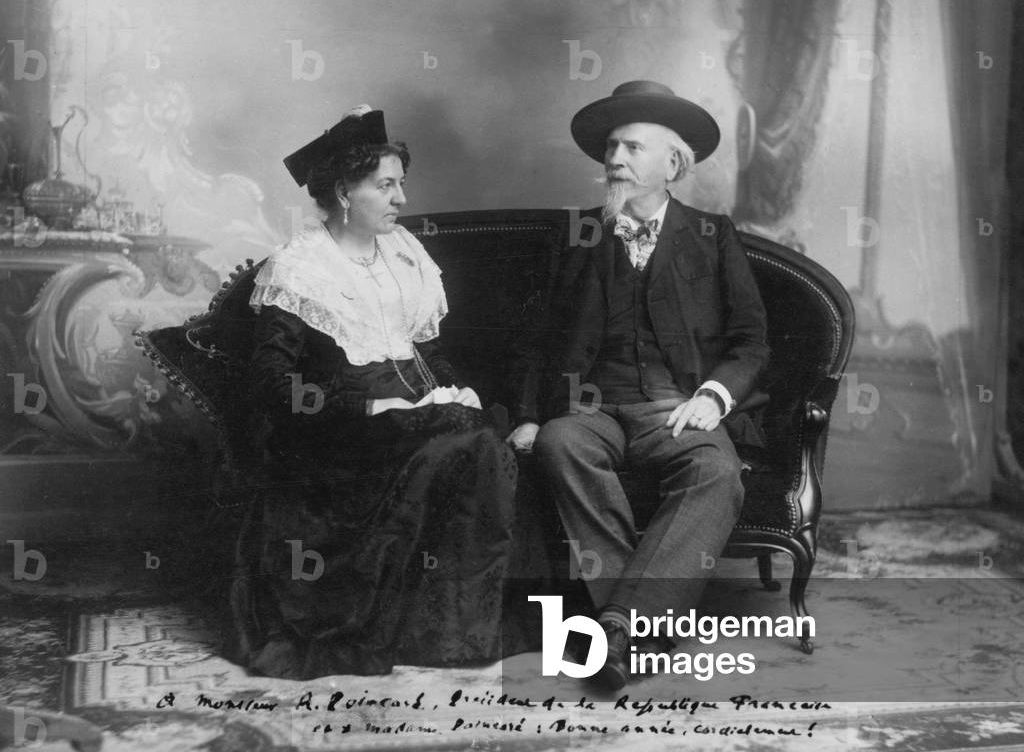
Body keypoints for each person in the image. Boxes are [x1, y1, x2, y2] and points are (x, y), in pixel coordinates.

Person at [230, 106, 518, 679]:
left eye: (401, 184)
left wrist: (452, 389)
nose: (400, 199)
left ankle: (456, 627)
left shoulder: (404, 251)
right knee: (472, 446)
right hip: (339, 438)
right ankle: (442, 633)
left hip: (411, 413)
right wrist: (365, 407)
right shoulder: (300, 267)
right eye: (385, 186)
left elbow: (421, 349)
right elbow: (269, 385)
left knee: (484, 434)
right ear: (343, 191)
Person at [507, 81, 770, 690]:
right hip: (590, 407)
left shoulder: (712, 235)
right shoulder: (575, 234)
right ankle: (642, 628)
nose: (613, 160)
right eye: (610, 149)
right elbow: (535, 340)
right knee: (558, 444)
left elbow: (752, 339)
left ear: (673, 164)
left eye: (630, 148)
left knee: (716, 471)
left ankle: (617, 628)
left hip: (674, 410)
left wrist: (713, 395)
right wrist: (526, 414)